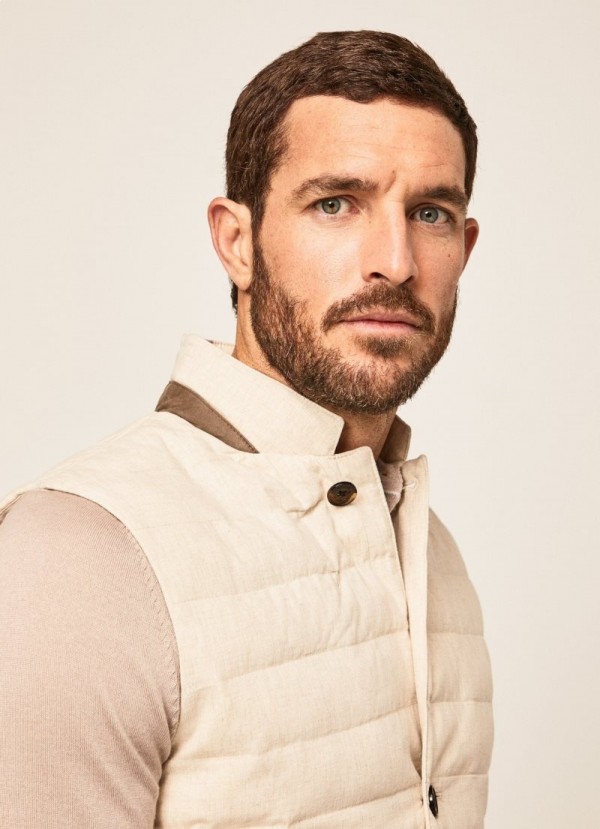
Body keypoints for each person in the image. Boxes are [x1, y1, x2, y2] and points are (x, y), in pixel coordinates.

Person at [0, 30, 493, 829]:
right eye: (335, 203)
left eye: (430, 213)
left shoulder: (433, 551)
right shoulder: (81, 556)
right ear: (237, 242)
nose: (396, 262)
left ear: (464, 248)